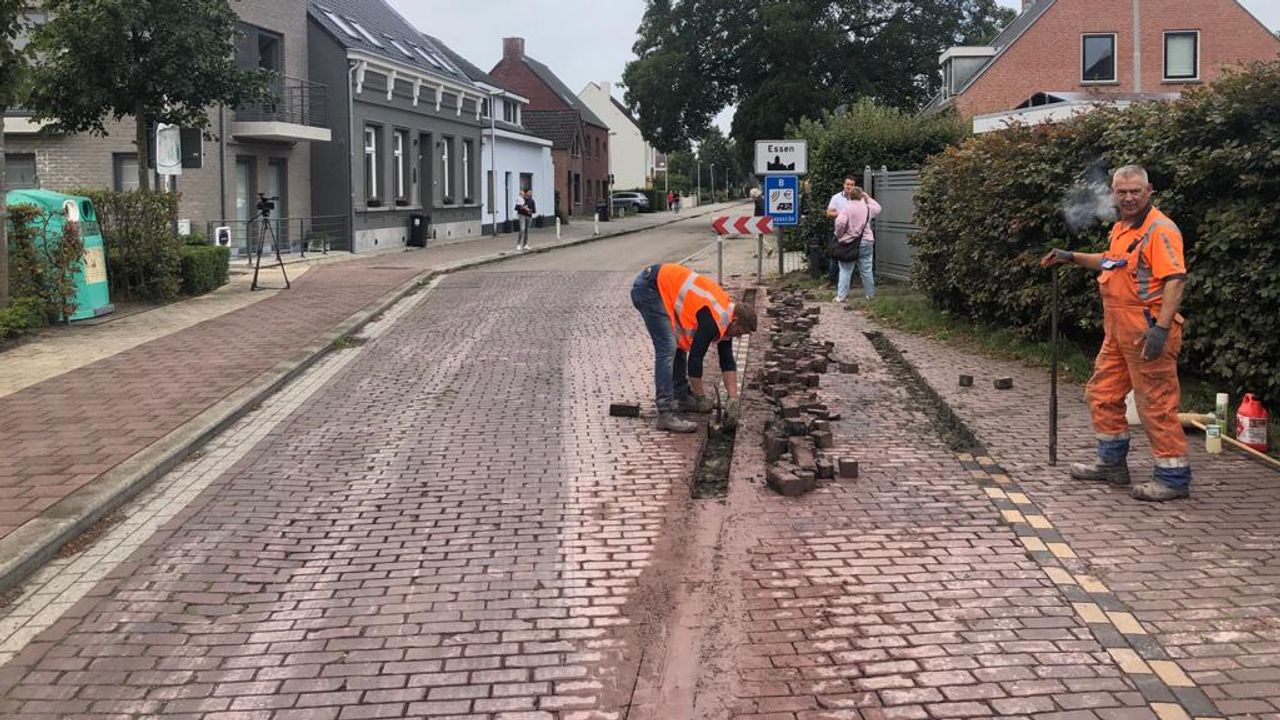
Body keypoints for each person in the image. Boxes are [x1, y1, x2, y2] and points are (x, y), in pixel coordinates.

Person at [1041, 164, 1191, 502]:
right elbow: (1111, 262)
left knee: (1155, 403)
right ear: (1113, 194)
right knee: (1102, 393)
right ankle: (1112, 465)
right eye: (1121, 192)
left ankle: (1173, 477)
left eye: (1135, 191)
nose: (1128, 197)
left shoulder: (1161, 230)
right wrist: (1072, 257)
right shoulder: (1123, 229)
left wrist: (1162, 330)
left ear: (1148, 191)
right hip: (1118, 330)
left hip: (1147, 329)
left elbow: (1175, 281)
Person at [630, 263, 758, 433]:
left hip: (659, 286)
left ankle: (681, 397)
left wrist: (733, 399)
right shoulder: (713, 320)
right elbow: (695, 360)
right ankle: (665, 413)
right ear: (735, 321)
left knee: (679, 344)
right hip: (650, 288)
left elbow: (727, 360)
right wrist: (700, 397)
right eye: (740, 332)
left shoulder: (726, 317)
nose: (739, 337)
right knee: (668, 348)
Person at [832, 188, 881, 302]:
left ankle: (841, 296)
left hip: (849, 243)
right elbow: (878, 208)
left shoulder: (846, 208)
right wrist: (867, 197)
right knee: (866, 270)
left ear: (849, 196)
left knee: (845, 269)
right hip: (867, 241)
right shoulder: (867, 208)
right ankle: (870, 295)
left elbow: (840, 223)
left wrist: (839, 235)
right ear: (861, 196)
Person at [825, 175, 861, 285]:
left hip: (855, 233)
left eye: (851, 185)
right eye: (847, 184)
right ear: (843, 185)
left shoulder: (859, 199)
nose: (849, 187)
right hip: (840, 232)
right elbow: (828, 213)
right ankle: (832, 280)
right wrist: (841, 214)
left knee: (855, 256)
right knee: (835, 256)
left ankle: (854, 281)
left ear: (855, 186)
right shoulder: (836, 198)